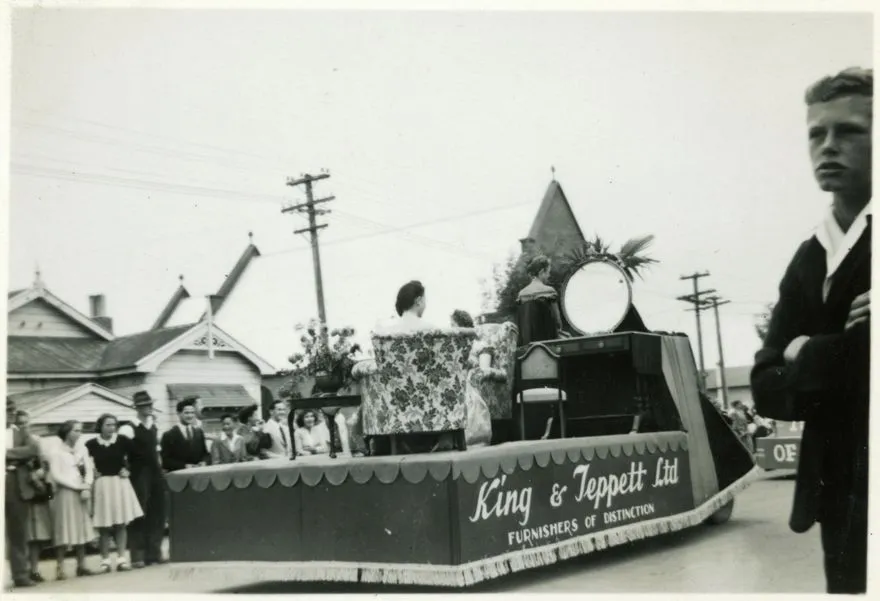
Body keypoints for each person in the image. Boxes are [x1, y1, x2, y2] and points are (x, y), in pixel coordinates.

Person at [751, 67, 871, 594]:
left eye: (849, 131)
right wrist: (840, 348)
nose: (828, 146)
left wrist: (802, 353)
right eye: (816, 134)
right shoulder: (810, 256)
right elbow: (763, 386)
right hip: (836, 496)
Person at [85, 414, 144, 573]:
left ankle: (121, 559)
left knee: (120, 523)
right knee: (104, 525)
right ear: (100, 426)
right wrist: (91, 472)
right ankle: (104, 561)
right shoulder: (91, 444)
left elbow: (139, 457)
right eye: (108, 425)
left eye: (114, 425)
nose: (111, 428)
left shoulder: (123, 441)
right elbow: (81, 462)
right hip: (102, 485)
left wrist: (128, 469)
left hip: (119, 483)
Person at [118, 390, 166, 569]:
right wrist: (125, 470)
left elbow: (157, 452)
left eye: (150, 404)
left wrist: (160, 469)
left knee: (157, 512)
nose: (149, 408)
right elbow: (121, 453)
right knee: (139, 513)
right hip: (138, 474)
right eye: (145, 405)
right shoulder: (128, 428)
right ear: (137, 407)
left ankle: (154, 553)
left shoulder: (154, 425)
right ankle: (137, 556)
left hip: (154, 472)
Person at [48, 420, 96, 580]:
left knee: (81, 527)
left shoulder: (82, 450)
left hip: (81, 493)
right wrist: (75, 486)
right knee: (64, 528)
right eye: (76, 430)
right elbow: (56, 475)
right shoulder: (56, 452)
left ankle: (81, 565)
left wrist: (86, 485)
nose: (79, 433)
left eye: (80, 430)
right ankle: (60, 567)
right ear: (67, 432)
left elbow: (89, 470)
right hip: (66, 493)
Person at [5, 398, 40, 588]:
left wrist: (6, 454)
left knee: (18, 531)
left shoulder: (21, 432)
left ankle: (20, 575)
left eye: (12, 410)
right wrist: (16, 455)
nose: (10, 413)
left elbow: (32, 450)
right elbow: (23, 453)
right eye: (6, 410)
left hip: (15, 484)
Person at [15, 410, 54, 584]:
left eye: (26, 422)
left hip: (36, 493)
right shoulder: (10, 442)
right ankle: (20, 571)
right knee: (21, 535)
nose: (24, 426)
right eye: (20, 423)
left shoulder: (36, 441)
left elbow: (46, 463)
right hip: (17, 491)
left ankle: (34, 569)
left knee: (36, 535)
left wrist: (41, 472)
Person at [516, 255, 569, 345]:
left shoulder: (521, 294)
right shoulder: (549, 291)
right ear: (541, 272)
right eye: (548, 272)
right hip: (548, 343)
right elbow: (558, 323)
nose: (549, 276)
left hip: (527, 345)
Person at [161, 398, 210, 472]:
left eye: (192, 413)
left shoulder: (199, 432)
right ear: (178, 413)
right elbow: (165, 462)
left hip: (199, 476)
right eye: (186, 413)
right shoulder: (168, 435)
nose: (190, 416)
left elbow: (206, 454)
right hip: (179, 478)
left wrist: (204, 462)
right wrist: (184, 466)